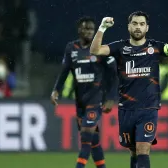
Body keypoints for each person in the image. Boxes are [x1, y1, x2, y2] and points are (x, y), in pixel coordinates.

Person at [90, 11, 168, 168]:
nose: (138, 27)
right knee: (133, 151)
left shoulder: (155, 47)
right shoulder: (119, 47)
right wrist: (102, 28)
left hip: (149, 108)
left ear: (147, 28)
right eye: (135, 23)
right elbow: (95, 50)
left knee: (143, 148)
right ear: (129, 26)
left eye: (142, 24)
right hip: (126, 109)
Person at [50, 16, 118, 168]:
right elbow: (64, 71)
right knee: (93, 140)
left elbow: (114, 75)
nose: (88, 32)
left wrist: (110, 97)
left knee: (86, 135)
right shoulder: (71, 48)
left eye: (91, 29)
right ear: (79, 30)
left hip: (96, 98)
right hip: (80, 101)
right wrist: (56, 90)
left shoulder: (99, 48)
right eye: (85, 28)